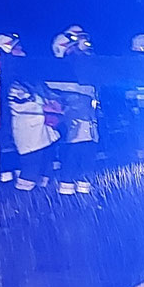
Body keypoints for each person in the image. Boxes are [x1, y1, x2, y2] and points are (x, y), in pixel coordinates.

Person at [0, 35, 59, 190]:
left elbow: (43, 93)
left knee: (45, 169)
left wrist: (54, 102)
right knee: (30, 170)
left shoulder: (26, 78)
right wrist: (45, 107)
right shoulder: (9, 83)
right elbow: (22, 104)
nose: (22, 51)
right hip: (29, 134)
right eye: (16, 49)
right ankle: (22, 199)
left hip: (42, 132)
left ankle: (41, 199)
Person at [47, 26, 100, 196]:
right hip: (72, 124)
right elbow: (57, 99)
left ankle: (84, 194)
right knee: (71, 156)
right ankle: (66, 194)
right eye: (74, 48)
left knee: (87, 157)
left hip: (88, 122)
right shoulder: (58, 73)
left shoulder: (86, 68)